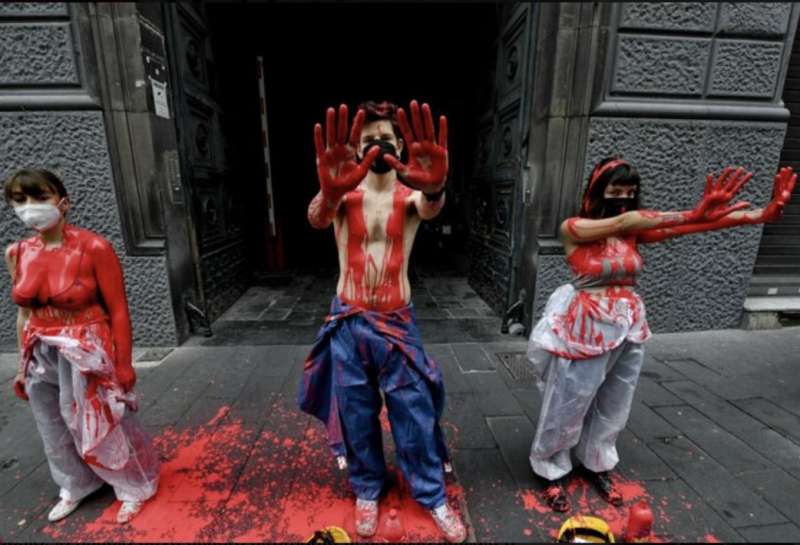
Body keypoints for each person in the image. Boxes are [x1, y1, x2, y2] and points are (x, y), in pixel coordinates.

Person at [527, 157, 796, 512]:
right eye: (615, 189)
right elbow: (630, 218)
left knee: (614, 402)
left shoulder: (634, 234)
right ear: (597, 190)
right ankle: (550, 470)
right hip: (585, 327)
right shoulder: (574, 227)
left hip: (628, 327)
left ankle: (597, 463)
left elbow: (696, 226)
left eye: (630, 191)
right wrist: (696, 210)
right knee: (567, 404)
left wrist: (762, 214)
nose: (623, 197)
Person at [297, 100, 466, 542]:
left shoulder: (408, 196)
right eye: (367, 141)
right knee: (355, 414)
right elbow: (316, 218)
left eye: (385, 140)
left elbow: (431, 206)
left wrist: (434, 187)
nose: (376, 147)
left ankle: (432, 496)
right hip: (349, 324)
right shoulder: (341, 195)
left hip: (396, 323)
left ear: (400, 145)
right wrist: (330, 190)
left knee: (414, 411)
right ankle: (367, 488)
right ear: (355, 147)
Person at [4, 168, 160, 524]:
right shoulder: (16, 252)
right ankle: (75, 484)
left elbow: (118, 309)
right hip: (40, 348)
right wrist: (20, 367)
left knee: (100, 418)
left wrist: (124, 363)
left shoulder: (94, 248)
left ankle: (131, 486)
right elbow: (22, 316)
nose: (30, 207)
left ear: (63, 202)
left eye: (40, 197)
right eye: (19, 200)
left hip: (86, 347)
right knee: (51, 423)